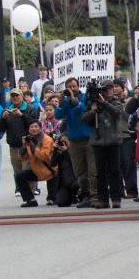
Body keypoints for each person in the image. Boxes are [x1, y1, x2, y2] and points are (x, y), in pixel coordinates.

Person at [81, 81, 125, 209]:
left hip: (113, 141)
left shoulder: (116, 102)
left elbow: (118, 114)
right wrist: (92, 111)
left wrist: (104, 103)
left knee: (115, 171)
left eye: (110, 89)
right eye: (105, 89)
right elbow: (83, 119)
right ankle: (103, 199)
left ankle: (116, 198)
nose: (109, 91)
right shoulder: (93, 103)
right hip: (98, 141)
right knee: (100, 172)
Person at [55, 78, 96, 208]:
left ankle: (95, 196)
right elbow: (58, 115)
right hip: (74, 140)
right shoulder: (66, 101)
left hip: (88, 138)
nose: (72, 89)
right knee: (80, 171)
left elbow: (83, 111)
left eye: (74, 86)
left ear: (78, 86)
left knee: (92, 170)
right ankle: (85, 195)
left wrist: (73, 99)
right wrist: (61, 102)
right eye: (69, 87)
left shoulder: (85, 97)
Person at [0, 91, 34, 196]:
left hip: (27, 145)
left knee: (27, 169)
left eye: (17, 95)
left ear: (22, 96)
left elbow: (34, 124)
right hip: (13, 146)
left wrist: (22, 115)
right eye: (12, 96)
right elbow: (0, 128)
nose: (15, 97)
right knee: (17, 171)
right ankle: (22, 192)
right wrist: (3, 119)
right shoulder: (7, 111)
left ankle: (30, 192)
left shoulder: (29, 108)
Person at [14, 120, 55, 208]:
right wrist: (24, 147)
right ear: (28, 130)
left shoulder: (47, 139)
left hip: (51, 171)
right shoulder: (29, 140)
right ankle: (30, 200)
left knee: (57, 201)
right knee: (19, 176)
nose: (34, 129)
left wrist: (32, 147)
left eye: (36, 127)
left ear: (40, 128)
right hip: (37, 170)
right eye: (31, 127)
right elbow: (22, 158)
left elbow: (44, 156)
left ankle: (52, 197)